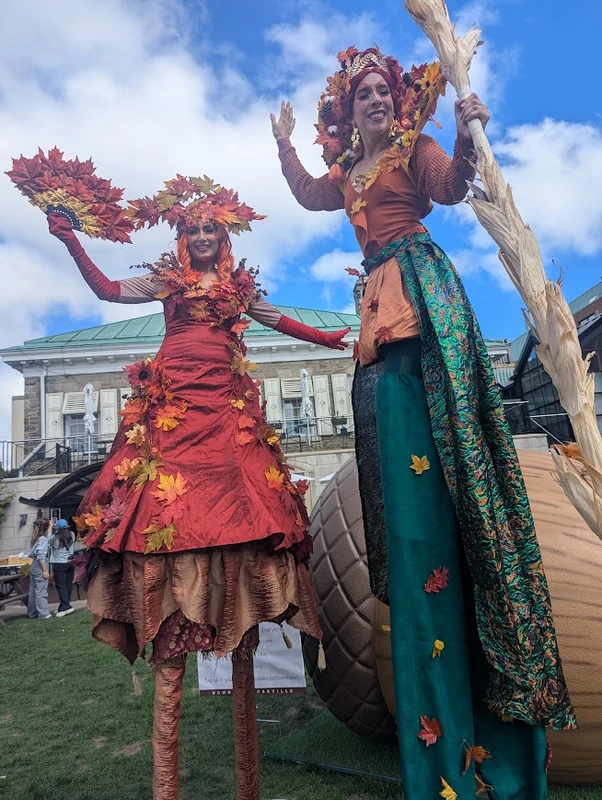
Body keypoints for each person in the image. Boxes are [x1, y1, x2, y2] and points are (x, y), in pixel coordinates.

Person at [272, 46, 575, 799]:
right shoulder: (348, 173)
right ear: (348, 111)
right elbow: (308, 195)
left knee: (449, 447)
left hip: (423, 296)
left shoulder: (413, 150)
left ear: (397, 101)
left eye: (384, 90)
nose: (377, 99)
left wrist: (467, 134)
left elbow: (449, 187)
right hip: (379, 321)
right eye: (364, 93)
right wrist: (283, 147)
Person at [46, 175, 349, 800]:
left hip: (225, 412)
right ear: (183, 236)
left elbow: (278, 319)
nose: (204, 235)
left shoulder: (239, 289)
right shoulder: (166, 281)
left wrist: (329, 339)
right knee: (160, 506)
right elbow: (106, 289)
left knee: (244, 504)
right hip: (174, 412)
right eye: (194, 228)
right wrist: (70, 239)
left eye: (213, 227)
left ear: (224, 237)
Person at [49, 518, 75, 617]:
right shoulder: (72, 535)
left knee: (61, 586)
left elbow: (48, 539)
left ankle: (66, 607)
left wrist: (50, 527)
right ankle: (63, 606)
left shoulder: (55, 538)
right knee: (68, 585)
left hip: (59, 564)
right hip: (70, 562)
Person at [26, 518, 51, 620]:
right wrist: (45, 570)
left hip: (34, 564)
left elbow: (30, 553)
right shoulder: (43, 539)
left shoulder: (35, 538)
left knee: (33, 590)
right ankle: (43, 613)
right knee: (41, 590)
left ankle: (32, 613)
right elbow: (41, 555)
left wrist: (49, 528)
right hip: (40, 564)